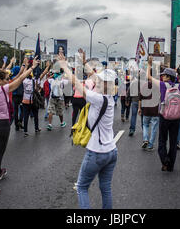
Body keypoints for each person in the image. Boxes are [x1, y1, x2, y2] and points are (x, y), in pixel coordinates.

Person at [58, 50, 117, 209]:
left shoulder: (97, 98)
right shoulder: (109, 96)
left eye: (102, 80)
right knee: (106, 188)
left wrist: (64, 65)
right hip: (111, 151)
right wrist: (84, 62)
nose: (97, 81)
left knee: (82, 187)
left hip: (97, 152)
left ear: (106, 84)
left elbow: (77, 84)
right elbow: (94, 76)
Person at [0, 55, 38, 194]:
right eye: (6, 79)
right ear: (0, 81)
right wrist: (31, 67)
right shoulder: (3, 89)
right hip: (2, 124)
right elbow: (20, 79)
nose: (8, 81)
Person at [147, 57, 180, 172]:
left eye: (164, 75)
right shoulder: (179, 86)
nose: (162, 76)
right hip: (176, 118)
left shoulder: (163, 85)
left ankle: (165, 160)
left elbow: (148, 77)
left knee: (162, 140)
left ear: (168, 77)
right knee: (173, 142)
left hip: (164, 116)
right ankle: (171, 165)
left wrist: (149, 64)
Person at [22, 61, 50, 136]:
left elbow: (23, 75)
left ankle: (25, 131)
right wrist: (47, 66)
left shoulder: (24, 80)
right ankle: (36, 128)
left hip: (25, 100)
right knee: (36, 115)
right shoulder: (35, 80)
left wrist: (26, 66)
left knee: (26, 116)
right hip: (34, 100)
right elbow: (44, 73)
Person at [138, 74, 159, 151]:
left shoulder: (144, 86)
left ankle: (145, 139)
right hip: (155, 110)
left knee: (145, 125)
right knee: (154, 128)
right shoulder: (158, 86)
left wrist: (139, 108)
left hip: (146, 110)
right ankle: (150, 145)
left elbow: (140, 99)